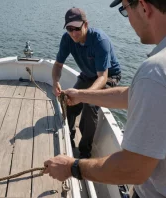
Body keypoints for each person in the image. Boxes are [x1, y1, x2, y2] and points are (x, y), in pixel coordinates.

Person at [44, 0, 166, 197]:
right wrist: (81, 95)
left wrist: (72, 167)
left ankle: (84, 149)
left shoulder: (161, 71)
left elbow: (133, 170)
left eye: (124, 9)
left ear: (144, 7)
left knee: (90, 112)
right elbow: (135, 94)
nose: (127, 18)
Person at [52, 7, 121, 159]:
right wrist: (55, 81)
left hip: (109, 76)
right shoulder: (67, 39)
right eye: (69, 28)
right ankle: (69, 136)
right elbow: (58, 65)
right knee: (69, 101)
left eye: (77, 28)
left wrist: (84, 95)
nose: (73, 33)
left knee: (90, 105)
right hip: (88, 75)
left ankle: (85, 150)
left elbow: (102, 77)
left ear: (86, 25)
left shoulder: (99, 41)